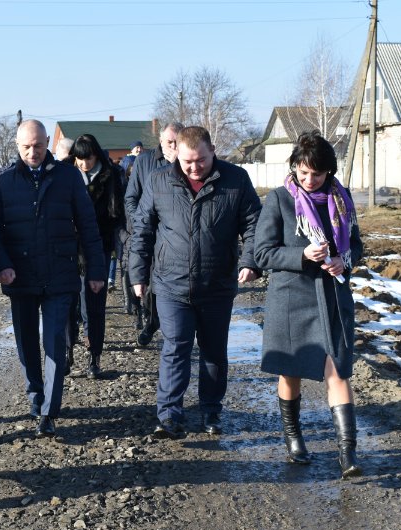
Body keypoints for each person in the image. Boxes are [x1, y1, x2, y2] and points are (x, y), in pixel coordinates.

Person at [130, 126, 261, 439]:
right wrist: (138, 274)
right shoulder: (159, 181)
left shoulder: (236, 179)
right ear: (176, 154)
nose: (194, 167)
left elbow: (255, 225)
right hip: (171, 284)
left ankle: (211, 410)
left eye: (200, 160)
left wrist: (251, 261)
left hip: (217, 283)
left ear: (212, 150)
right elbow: (142, 230)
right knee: (176, 348)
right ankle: (169, 417)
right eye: (187, 161)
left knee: (213, 351)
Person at [0, 120, 106, 437]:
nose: (32, 152)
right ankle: (35, 396)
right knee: (26, 343)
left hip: (59, 273)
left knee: (54, 341)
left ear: (48, 142)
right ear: (17, 145)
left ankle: (49, 411)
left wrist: (96, 270)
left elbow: (88, 225)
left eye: (38, 145)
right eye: (26, 146)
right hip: (19, 276)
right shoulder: (2, 180)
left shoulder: (67, 177)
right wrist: (0, 265)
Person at [253, 130, 363, 478]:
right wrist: (301, 254)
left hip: (332, 297)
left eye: (316, 173)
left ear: (329, 171)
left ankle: (347, 453)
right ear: (295, 168)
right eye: (303, 172)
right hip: (291, 298)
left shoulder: (342, 198)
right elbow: (262, 253)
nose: (309, 180)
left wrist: (344, 260)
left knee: (338, 371)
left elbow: (356, 244)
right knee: (291, 371)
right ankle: (294, 437)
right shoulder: (279, 199)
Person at [61, 133, 123, 378]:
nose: (84, 164)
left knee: (94, 304)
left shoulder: (110, 175)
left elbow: (116, 213)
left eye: (88, 158)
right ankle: (67, 353)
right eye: (80, 159)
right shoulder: (64, 173)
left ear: (96, 155)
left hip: (98, 246)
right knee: (67, 302)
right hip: (67, 247)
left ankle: (94, 356)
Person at [124, 122, 183, 344]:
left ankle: (162, 324)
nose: (173, 147)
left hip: (174, 236)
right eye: (170, 142)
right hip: (149, 231)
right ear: (161, 141)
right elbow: (131, 197)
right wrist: (140, 221)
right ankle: (150, 318)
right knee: (147, 282)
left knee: (167, 285)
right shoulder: (144, 161)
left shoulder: (188, 162)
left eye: (178, 142)